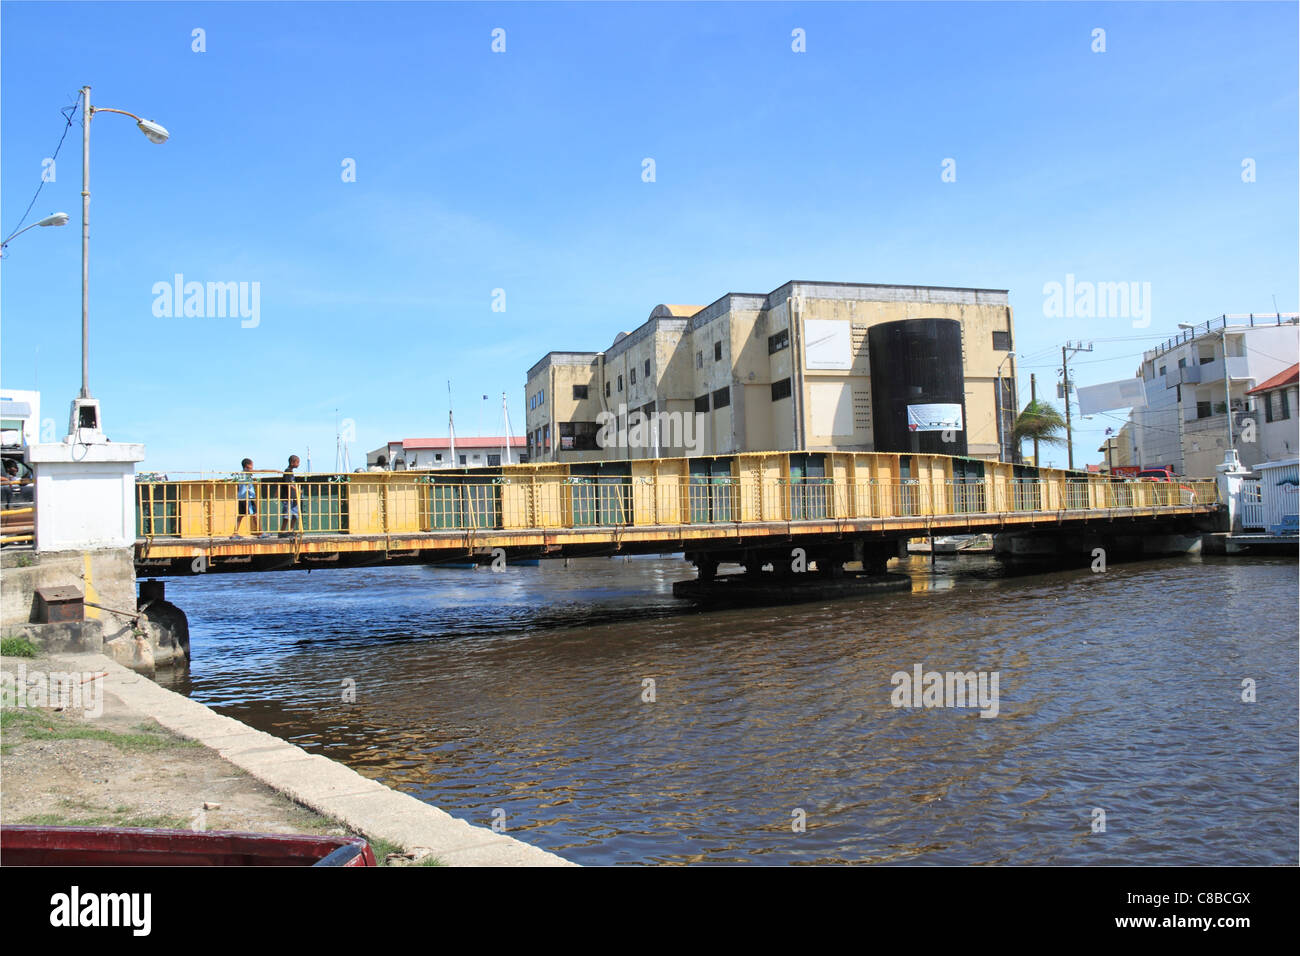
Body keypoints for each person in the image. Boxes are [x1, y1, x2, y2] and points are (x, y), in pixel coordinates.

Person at [232, 458, 261, 538]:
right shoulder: (246, 473)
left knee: (240, 515)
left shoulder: (240, 475)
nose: (252, 468)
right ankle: (261, 533)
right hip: (248, 497)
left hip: (241, 497)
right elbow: (260, 470)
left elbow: (238, 486)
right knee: (254, 515)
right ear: (247, 466)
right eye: (251, 467)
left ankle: (235, 533)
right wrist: (274, 470)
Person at [279, 455, 302, 536]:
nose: (298, 464)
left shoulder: (291, 472)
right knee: (287, 515)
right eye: (297, 462)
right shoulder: (287, 471)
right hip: (287, 497)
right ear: (292, 463)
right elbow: (288, 483)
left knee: (295, 514)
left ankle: (291, 530)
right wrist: (296, 489)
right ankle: (282, 531)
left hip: (293, 497)